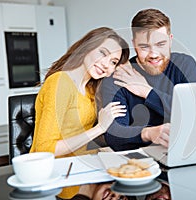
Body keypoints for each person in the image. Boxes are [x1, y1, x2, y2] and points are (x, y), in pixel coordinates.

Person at [30, 27, 129, 199]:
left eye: (113, 61)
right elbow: (45, 149)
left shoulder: (90, 89)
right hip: (55, 179)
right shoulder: (60, 83)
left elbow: (78, 136)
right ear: (87, 47)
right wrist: (99, 128)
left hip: (80, 170)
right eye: (103, 53)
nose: (106, 64)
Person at [98, 9, 196, 151]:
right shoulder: (119, 76)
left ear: (170, 40)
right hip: (139, 162)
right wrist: (148, 133)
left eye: (160, 44)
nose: (154, 54)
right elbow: (114, 135)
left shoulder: (185, 65)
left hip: (187, 151)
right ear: (134, 44)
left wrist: (148, 92)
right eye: (144, 46)